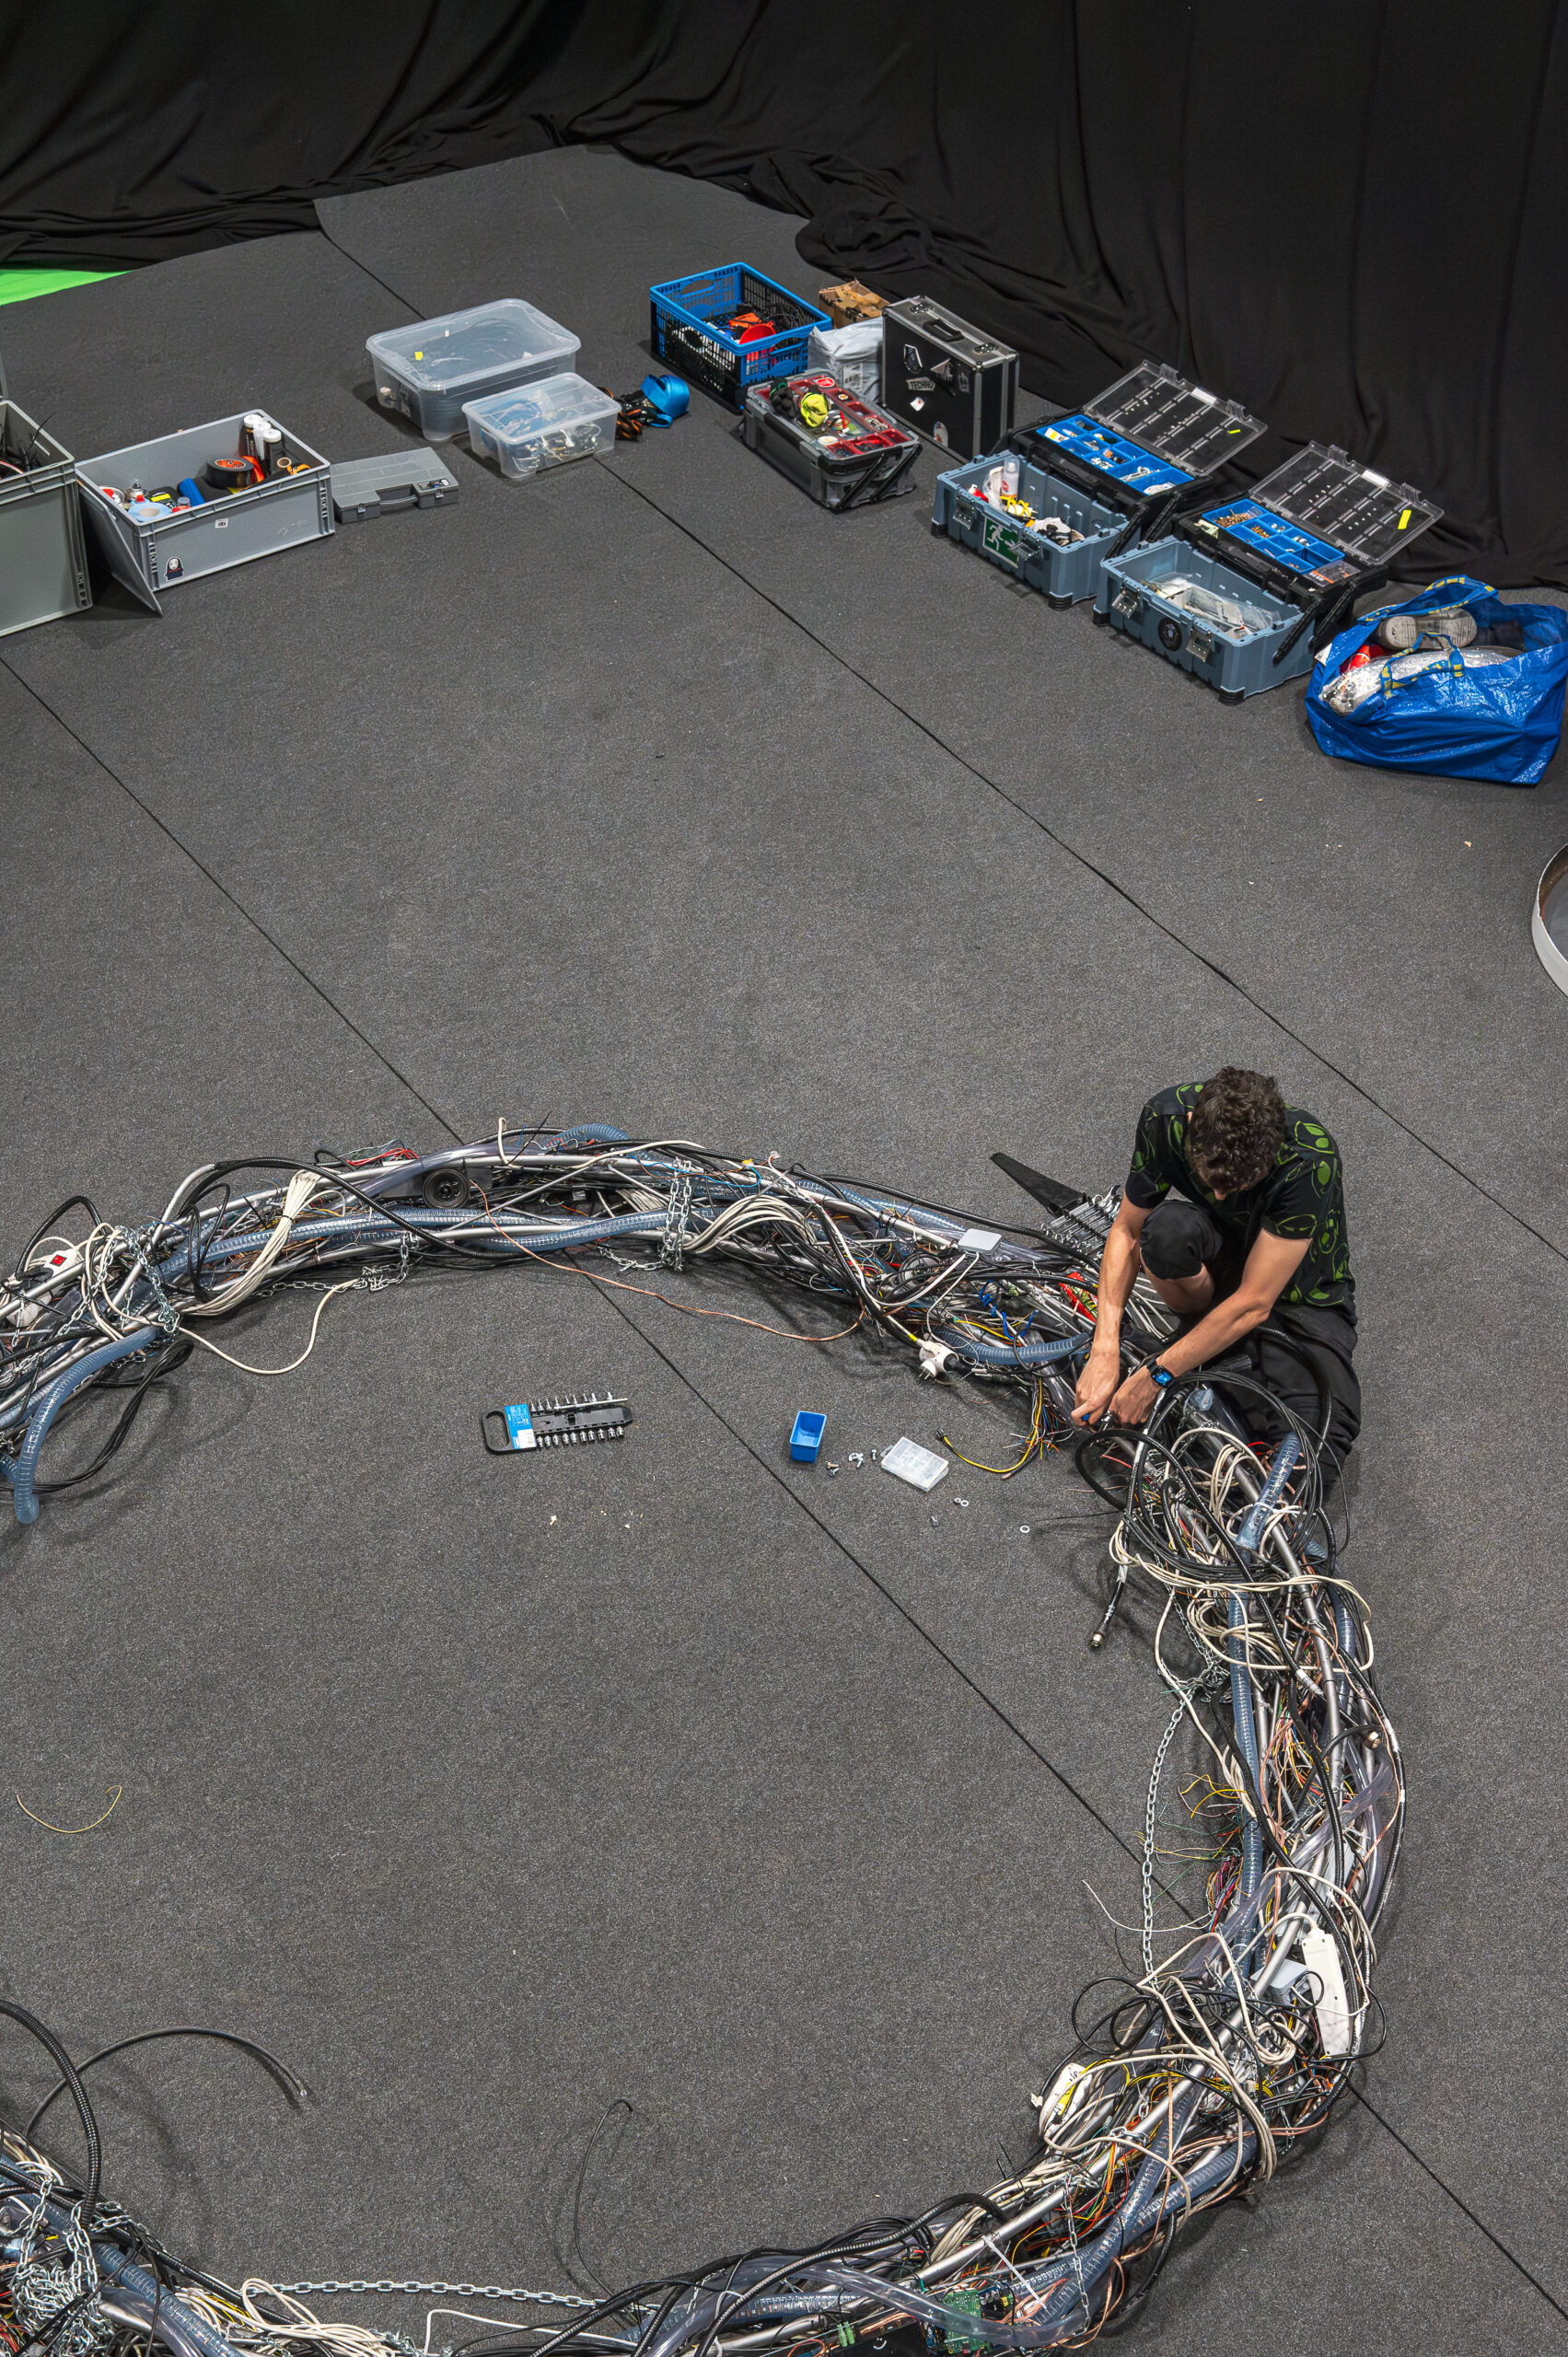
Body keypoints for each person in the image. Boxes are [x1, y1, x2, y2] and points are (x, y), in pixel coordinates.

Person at [1070, 1067, 1361, 1462]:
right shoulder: (1166, 1118)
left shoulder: (1309, 1160)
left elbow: (1254, 1302)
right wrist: (1104, 1347)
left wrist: (1157, 1375)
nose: (1221, 1195)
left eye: (1238, 1184)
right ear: (1193, 1123)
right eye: (1212, 1180)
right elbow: (1127, 1231)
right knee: (1167, 1232)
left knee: (1321, 1447)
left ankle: (1202, 1350)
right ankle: (1200, 1326)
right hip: (1226, 1263)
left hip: (1298, 1292)